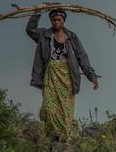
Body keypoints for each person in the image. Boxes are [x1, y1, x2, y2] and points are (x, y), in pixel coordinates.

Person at [26, 8, 99, 143]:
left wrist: (91, 76)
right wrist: (37, 12)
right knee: (48, 107)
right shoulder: (44, 34)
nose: (56, 22)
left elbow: (82, 57)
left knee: (65, 109)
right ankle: (52, 135)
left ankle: (64, 137)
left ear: (64, 21)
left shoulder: (71, 37)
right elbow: (30, 30)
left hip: (67, 77)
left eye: (59, 20)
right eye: (54, 20)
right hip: (51, 76)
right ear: (50, 20)